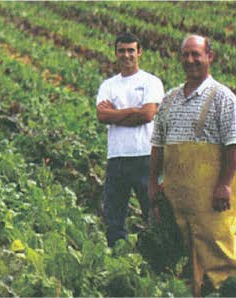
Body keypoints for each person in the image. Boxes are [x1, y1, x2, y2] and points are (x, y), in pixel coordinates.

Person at [149, 34, 236, 296]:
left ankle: (228, 290)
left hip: (211, 196)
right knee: (180, 249)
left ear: (209, 57)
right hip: (178, 195)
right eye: (185, 55)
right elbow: (158, 145)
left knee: (217, 246)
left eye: (196, 54)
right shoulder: (169, 99)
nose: (190, 60)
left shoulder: (223, 98)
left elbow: (234, 145)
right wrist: (153, 184)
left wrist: (224, 185)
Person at [95, 32, 165, 247]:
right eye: (122, 51)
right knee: (114, 215)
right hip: (117, 157)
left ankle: (158, 258)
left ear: (139, 52)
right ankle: (119, 257)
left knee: (153, 212)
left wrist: (117, 115)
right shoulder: (108, 85)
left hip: (145, 155)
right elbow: (102, 116)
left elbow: (147, 115)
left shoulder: (151, 82)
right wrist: (134, 111)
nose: (126, 55)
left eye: (131, 50)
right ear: (116, 53)